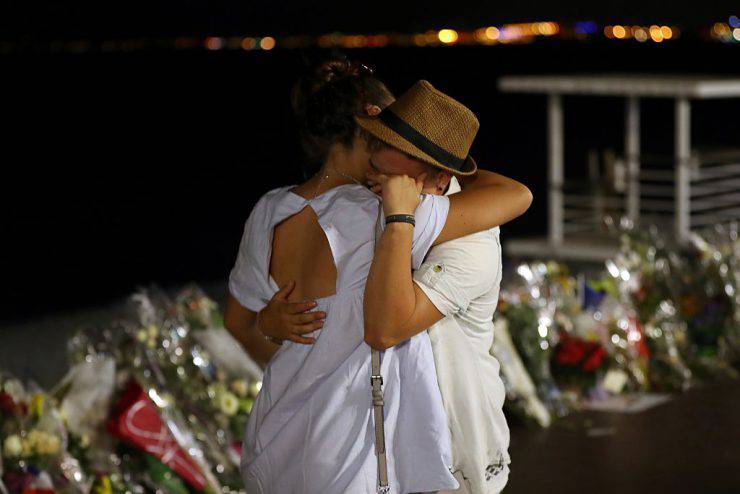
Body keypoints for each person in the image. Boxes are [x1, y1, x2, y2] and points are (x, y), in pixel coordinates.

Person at [224, 58, 531, 493]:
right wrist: (446, 168)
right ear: (369, 127)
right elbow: (515, 195)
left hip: (275, 441)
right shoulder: (384, 215)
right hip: (346, 453)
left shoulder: (269, 211)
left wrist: (285, 340)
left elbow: (239, 322)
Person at [359, 89, 521, 492]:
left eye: (394, 179)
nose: (373, 181)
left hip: (454, 439)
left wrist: (399, 217)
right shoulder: (380, 192)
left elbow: (385, 328)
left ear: (439, 180)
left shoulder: (473, 247)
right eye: (375, 166)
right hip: (389, 431)